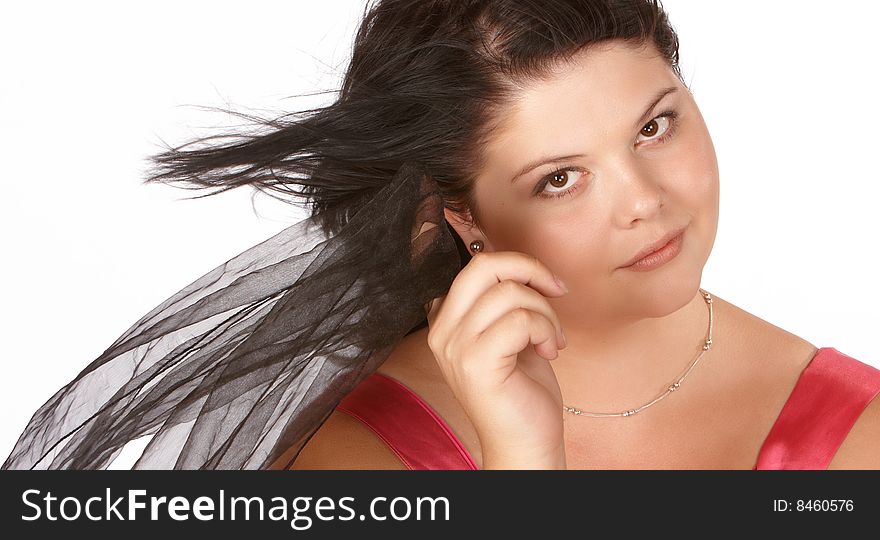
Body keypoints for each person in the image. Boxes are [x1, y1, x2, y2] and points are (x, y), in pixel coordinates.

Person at [4, 0, 879, 471]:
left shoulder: (856, 430)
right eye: (560, 178)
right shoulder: (363, 458)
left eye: (654, 127)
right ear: (462, 216)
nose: (645, 202)